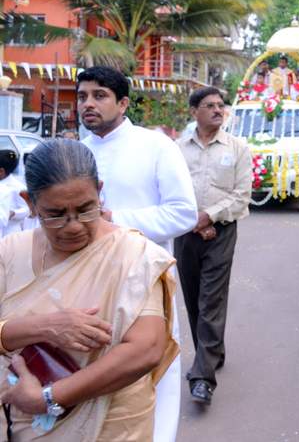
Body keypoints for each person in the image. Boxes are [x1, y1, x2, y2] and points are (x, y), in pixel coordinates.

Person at [0, 139, 177, 441]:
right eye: (55, 214)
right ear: (29, 203)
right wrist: (45, 327)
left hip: (111, 425)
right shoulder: (10, 252)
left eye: (85, 210)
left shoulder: (135, 255)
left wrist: (49, 398)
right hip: (22, 421)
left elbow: (146, 349)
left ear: (99, 192)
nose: (73, 226)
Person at [78, 66, 196, 442]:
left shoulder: (156, 146)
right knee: (91, 367)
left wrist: (115, 220)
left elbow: (184, 213)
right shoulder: (76, 151)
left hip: (144, 277)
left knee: (153, 368)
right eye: (82, 96)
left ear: (123, 103)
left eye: (99, 96)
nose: (88, 104)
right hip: (86, 281)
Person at [175, 87, 251, 405]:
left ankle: (203, 377)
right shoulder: (177, 149)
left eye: (221, 105)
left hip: (221, 232)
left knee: (211, 300)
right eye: (210, 105)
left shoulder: (237, 148)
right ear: (194, 111)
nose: (218, 110)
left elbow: (242, 195)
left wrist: (209, 217)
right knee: (193, 298)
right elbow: (172, 190)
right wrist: (194, 221)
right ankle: (211, 353)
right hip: (185, 232)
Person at [0, 150, 31, 237]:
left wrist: (14, 213)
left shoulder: (18, 187)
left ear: (1, 171)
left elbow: (28, 209)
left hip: (10, 231)